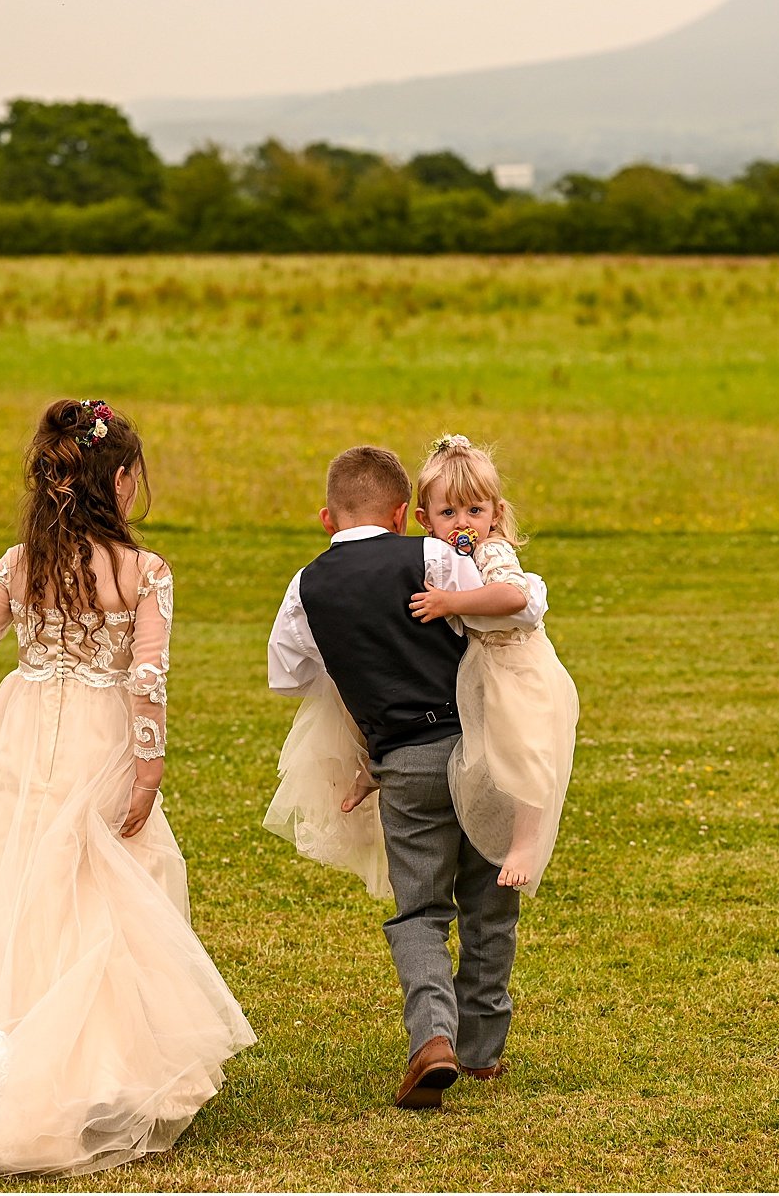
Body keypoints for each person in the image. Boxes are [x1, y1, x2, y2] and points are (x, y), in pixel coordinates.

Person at [0, 398, 255, 1178]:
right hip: (104, 737)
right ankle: (102, 1075)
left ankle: (9, 1063)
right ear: (124, 481)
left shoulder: (16, 564)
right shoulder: (144, 572)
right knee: (108, 896)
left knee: (16, 900)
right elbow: (146, 674)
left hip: (26, 738)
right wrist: (148, 767)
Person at [267, 445, 546, 1107]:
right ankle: (481, 1050)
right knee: (489, 901)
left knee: (420, 907)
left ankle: (433, 1036)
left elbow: (288, 674)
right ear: (403, 514)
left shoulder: (307, 586)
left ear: (325, 517)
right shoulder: (435, 554)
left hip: (404, 760)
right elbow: (510, 610)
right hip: (485, 747)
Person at [408, 434, 577, 894]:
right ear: (425, 519)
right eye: (449, 514)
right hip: (486, 666)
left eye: (474, 512)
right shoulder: (442, 553)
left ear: (495, 513)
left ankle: (525, 841)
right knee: (489, 753)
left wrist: (450, 602)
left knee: (526, 748)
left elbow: (513, 595)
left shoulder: (492, 550)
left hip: (517, 662)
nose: (463, 523)